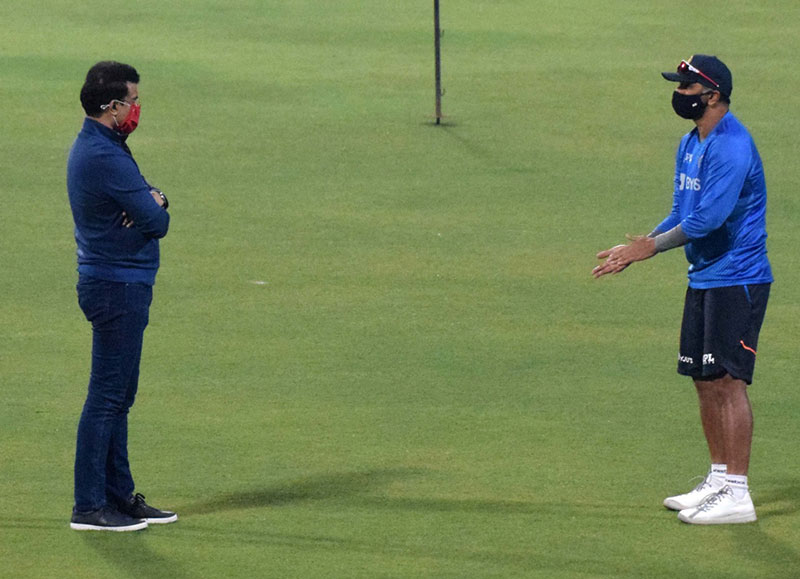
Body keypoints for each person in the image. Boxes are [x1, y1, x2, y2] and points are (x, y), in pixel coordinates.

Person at [593, 55, 772, 525]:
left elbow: (709, 218)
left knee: (729, 382)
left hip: (738, 278)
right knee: (704, 378)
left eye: (687, 88)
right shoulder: (690, 142)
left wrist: (649, 248)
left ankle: (738, 494)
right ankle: (718, 478)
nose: (678, 95)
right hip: (705, 275)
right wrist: (638, 246)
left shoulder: (732, 146)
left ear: (712, 95)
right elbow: (682, 211)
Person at [67, 61, 177, 531]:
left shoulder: (105, 146)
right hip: (117, 286)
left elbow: (152, 200)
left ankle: (118, 496)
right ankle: (89, 506)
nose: (136, 108)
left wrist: (154, 197)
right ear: (111, 106)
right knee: (107, 397)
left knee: (119, 396)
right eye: (132, 101)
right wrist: (152, 204)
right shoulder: (104, 156)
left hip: (119, 282)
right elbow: (157, 221)